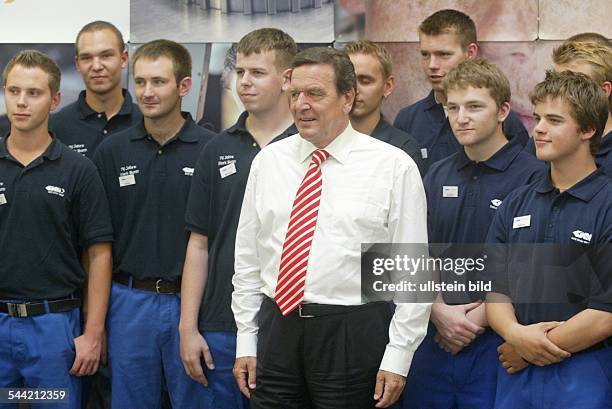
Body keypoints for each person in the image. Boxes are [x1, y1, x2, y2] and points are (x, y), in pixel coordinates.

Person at [231, 47, 430, 409]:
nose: (301, 105)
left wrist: (399, 355)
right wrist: (247, 339)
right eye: (295, 94)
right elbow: (247, 260)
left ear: (348, 98)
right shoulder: (269, 162)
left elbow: (411, 272)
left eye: (315, 94)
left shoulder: (392, 166)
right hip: (277, 327)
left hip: (352, 331)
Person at [401, 59, 544, 409]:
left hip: (496, 341)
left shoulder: (534, 176)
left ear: (503, 111)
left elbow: (532, 263)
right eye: (453, 107)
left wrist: (477, 319)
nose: (461, 117)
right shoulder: (436, 173)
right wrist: (437, 311)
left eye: (474, 107)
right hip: (433, 333)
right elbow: (417, 248)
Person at [92, 40, 215, 409]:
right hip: (129, 302)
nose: (147, 92)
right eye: (140, 81)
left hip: (193, 305)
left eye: (158, 82)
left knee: (197, 399)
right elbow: (98, 242)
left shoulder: (211, 149)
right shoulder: (111, 152)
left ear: (184, 86)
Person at [179, 28, 297, 408]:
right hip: (220, 323)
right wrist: (187, 327)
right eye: (240, 71)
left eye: (258, 72)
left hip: (291, 323)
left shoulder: (311, 147)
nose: (244, 81)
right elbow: (199, 243)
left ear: (287, 78)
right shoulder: (216, 149)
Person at [485, 70, 612, 409]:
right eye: (538, 117)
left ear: (587, 130)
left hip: (584, 368)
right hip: (514, 371)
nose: (538, 128)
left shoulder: (607, 203)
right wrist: (515, 335)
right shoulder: (516, 202)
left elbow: (605, 313)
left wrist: (527, 350)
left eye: (554, 120)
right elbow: (495, 289)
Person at [0, 50, 113, 409]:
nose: (21, 102)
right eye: (14, 91)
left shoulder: (79, 170)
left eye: (34, 93)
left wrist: (93, 333)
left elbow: (98, 254)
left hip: (53, 328)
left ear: (54, 100)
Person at [393, 9, 529, 174]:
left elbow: (523, 179)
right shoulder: (408, 119)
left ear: (470, 52)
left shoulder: (503, 120)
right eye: (425, 55)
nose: (432, 65)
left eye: (444, 54)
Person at [51, 21, 142, 158]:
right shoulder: (55, 127)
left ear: (123, 59)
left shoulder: (147, 122)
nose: (97, 66)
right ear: (78, 64)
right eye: (86, 58)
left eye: (106, 55)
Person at [343, 40, 424, 174]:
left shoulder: (403, 149)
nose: (354, 89)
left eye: (365, 81)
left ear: (387, 86)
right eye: (348, 80)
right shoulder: (323, 142)